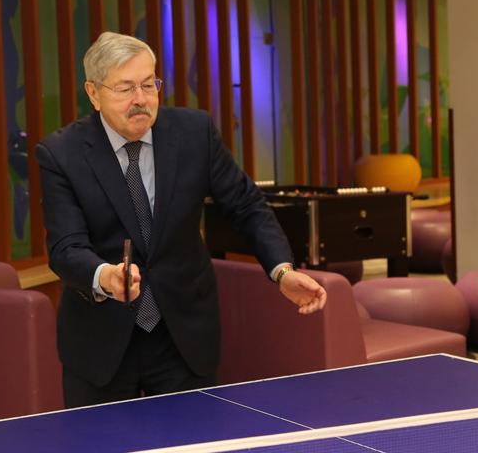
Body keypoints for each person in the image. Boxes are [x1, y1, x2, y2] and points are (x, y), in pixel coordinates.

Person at [36, 32, 327, 408]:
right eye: (125, 88)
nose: (140, 99)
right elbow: (65, 247)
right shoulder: (61, 154)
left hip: (183, 335)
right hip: (101, 341)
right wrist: (104, 276)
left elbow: (246, 204)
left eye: (148, 84)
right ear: (93, 93)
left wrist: (282, 270)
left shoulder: (194, 133)